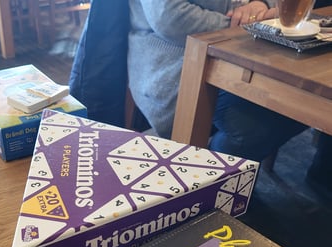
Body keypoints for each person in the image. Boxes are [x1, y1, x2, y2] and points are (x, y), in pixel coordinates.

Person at [127, 0, 332, 198]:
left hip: (251, 51)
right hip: (177, 60)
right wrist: (251, 24)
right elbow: (170, 18)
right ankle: (211, 194)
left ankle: (221, 186)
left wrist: (261, 4)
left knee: (308, 104)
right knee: (263, 121)